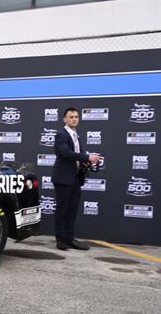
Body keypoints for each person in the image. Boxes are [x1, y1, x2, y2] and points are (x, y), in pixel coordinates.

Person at [51, 107, 100, 251]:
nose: (74, 119)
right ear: (65, 119)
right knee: (62, 211)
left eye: (76, 116)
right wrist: (87, 157)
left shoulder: (76, 136)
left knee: (72, 211)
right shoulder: (61, 134)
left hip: (75, 179)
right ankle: (60, 241)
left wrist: (90, 159)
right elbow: (65, 153)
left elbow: (79, 154)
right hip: (63, 178)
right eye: (71, 117)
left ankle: (70, 239)